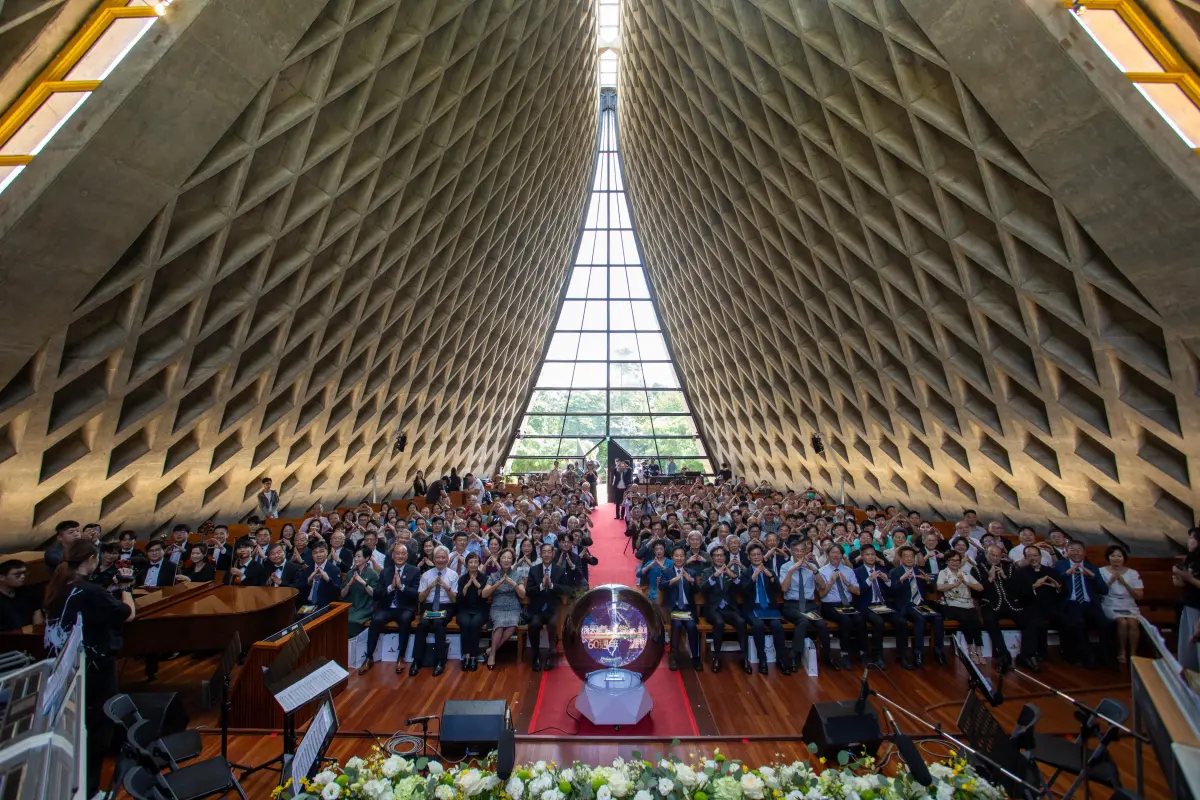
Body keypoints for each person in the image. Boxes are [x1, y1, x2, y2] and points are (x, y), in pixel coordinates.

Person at [43, 540, 136, 794]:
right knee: (97, 731)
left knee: (77, 727)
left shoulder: (60, 587)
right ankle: (89, 790)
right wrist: (126, 587)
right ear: (91, 559)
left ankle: (74, 786)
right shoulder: (89, 591)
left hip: (69, 669)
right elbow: (126, 613)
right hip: (94, 669)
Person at [360, 543, 420, 675]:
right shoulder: (385, 571)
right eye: (397, 553)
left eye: (402, 554)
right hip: (387, 608)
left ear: (407, 556)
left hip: (405, 608)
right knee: (375, 621)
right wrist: (391, 587)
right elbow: (377, 594)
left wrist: (401, 586)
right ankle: (369, 657)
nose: (400, 556)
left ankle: (401, 656)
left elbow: (415, 594)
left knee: (405, 620)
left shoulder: (414, 571)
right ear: (392, 556)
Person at [978, 545, 1040, 671]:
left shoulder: (1009, 568)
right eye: (992, 555)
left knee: (1031, 620)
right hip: (991, 604)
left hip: (1012, 604)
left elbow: (1017, 590)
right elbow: (979, 593)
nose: (995, 558)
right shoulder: (977, 569)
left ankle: (1026, 655)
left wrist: (1005, 578)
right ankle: (1003, 655)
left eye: (998, 556)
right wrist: (990, 578)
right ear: (986, 555)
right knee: (990, 620)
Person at [1055, 541, 1113, 668]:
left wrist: (1092, 576)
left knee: (1106, 624)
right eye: (1072, 549)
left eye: (1079, 549)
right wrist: (1067, 573)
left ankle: (1106, 657)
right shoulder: (1059, 565)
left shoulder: (1091, 567)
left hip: (1090, 603)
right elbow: (1055, 584)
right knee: (1078, 623)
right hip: (1070, 603)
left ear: (1084, 552)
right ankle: (1084, 657)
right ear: (1066, 552)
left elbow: (1104, 590)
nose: (1076, 552)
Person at [780, 539, 832, 672]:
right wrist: (792, 570)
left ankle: (827, 656)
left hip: (809, 606)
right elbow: (784, 589)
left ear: (805, 552)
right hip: (792, 606)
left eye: (801, 551)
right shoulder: (785, 567)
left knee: (821, 624)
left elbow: (822, 586)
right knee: (802, 621)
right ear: (791, 551)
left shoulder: (811, 567)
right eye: (796, 550)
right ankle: (793, 656)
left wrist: (815, 571)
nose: (798, 553)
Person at [889, 545, 945, 668]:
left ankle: (938, 651)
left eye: (911, 556)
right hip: (906, 606)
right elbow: (891, 591)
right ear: (901, 558)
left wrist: (928, 581)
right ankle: (918, 653)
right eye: (906, 556)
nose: (909, 559)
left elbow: (931, 590)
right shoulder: (895, 572)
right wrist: (902, 580)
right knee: (919, 619)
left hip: (921, 604)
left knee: (938, 618)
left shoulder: (919, 570)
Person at [701, 546, 749, 673]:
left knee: (741, 622)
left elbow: (743, 589)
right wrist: (714, 576)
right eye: (716, 555)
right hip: (713, 609)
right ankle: (717, 657)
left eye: (721, 555)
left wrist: (733, 577)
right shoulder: (707, 571)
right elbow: (703, 589)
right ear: (712, 558)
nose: (719, 557)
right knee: (719, 622)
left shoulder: (731, 571)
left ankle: (744, 658)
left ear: (725, 557)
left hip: (728, 608)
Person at [740, 542, 786, 675]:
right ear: (748, 557)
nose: (756, 557)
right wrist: (753, 577)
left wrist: (771, 577)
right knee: (758, 625)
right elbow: (744, 592)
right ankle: (762, 659)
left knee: (777, 625)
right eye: (753, 555)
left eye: (758, 554)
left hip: (769, 608)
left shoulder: (769, 571)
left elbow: (778, 590)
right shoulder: (745, 572)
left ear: (762, 556)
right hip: (751, 608)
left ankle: (780, 659)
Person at [818, 547, 867, 670]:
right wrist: (831, 582)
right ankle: (844, 654)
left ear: (842, 555)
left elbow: (857, 591)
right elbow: (821, 595)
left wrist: (847, 583)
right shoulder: (821, 571)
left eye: (838, 553)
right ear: (828, 554)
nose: (835, 555)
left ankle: (863, 652)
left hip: (847, 605)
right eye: (832, 552)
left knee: (860, 620)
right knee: (846, 620)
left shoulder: (849, 571)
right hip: (830, 605)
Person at [412, 545, 457, 676]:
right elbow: (420, 599)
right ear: (433, 558)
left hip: (446, 606)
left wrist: (446, 587)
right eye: (438, 557)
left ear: (448, 559)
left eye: (443, 557)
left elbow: (454, 600)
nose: (440, 560)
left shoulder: (453, 575)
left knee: (439, 624)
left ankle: (439, 660)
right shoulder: (426, 575)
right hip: (429, 606)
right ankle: (417, 660)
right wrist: (430, 587)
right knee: (422, 625)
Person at [853, 546, 900, 670]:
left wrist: (887, 581)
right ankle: (877, 655)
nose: (871, 557)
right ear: (862, 556)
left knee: (900, 621)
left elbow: (893, 592)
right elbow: (858, 592)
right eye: (867, 554)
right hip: (867, 606)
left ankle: (902, 655)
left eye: (873, 554)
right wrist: (869, 580)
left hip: (883, 605)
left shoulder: (882, 570)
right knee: (879, 622)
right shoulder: (857, 572)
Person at [936, 551, 984, 664]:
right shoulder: (943, 573)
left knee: (975, 620)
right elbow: (939, 587)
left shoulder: (965, 574)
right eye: (952, 560)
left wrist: (967, 583)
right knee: (965, 618)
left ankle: (979, 650)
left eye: (957, 560)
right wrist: (954, 584)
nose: (954, 562)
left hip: (968, 604)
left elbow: (980, 588)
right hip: (953, 605)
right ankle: (971, 649)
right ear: (947, 561)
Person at [659, 545, 702, 671]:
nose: (679, 558)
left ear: (685, 557)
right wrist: (673, 580)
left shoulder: (691, 572)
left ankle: (696, 657)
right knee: (677, 625)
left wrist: (692, 581)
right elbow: (661, 586)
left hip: (688, 609)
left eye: (681, 556)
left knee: (691, 626)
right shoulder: (667, 571)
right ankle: (673, 656)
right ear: (672, 557)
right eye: (676, 556)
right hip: (675, 609)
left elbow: (697, 591)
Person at [525, 543, 566, 671]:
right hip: (537, 609)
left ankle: (551, 655)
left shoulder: (560, 570)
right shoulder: (534, 570)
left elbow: (564, 590)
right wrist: (541, 586)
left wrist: (552, 585)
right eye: (544, 552)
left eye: (549, 552)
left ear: (553, 554)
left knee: (553, 624)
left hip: (553, 608)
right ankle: (535, 655)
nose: (547, 554)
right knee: (534, 624)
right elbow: (529, 591)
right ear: (540, 554)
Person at [483, 548, 526, 669]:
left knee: (512, 626)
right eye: (504, 558)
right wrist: (497, 584)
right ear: (499, 560)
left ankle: (491, 650)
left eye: (509, 558)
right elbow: (484, 594)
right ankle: (492, 656)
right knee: (500, 624)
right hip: (497, 606)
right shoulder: (493, 575)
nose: (506, 560)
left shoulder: (517, 575)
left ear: (512, 560)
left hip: (513, 606)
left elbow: (522, 594)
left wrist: (514, 584)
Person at [1099, 546, 1143, 663]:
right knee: (1122, 621)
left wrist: (1124, 583)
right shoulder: (1101, 571)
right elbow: (1099, 592)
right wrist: (1111, 581)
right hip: (1110, 602)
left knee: (1133, 623)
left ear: (1124, 558)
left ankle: (1133, 652)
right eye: (1113, 556)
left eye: (1119, 556)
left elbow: (1139, 596)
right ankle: (1121, 651)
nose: (1116, 558)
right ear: (1108, 558)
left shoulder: (1132, 573)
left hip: (1128, 603)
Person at [1172, 527, 1200, 671]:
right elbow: (1184, 583)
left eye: (1192, 538)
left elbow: (1193, 580)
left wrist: (1188, 578)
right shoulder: (1191, 559)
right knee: (1188, 649)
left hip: (1198, 607)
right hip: (1190, 604)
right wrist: (1179, 576)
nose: (1189, 541)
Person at [456, 552, 489, 671]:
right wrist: (466, 587)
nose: (473, 564)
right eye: (471, 562)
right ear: (466, 564)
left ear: (479, 564)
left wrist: (476, 584)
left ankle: (474, 656)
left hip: (480, 610)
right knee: (465, 624)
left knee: (474, 624)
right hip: (464, 609)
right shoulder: (462, 579)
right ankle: (466, 656)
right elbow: (458, 599)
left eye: (476, 562)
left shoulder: (484, 578)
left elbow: (485, 596)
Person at [341, 547, 379, 638]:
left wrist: (363, 583)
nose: (356, 559)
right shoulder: (350, 573)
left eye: (359, 556)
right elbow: (342, 595)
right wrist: (349, 584)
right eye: (355, 556)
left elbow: (374, 594)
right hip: (351, 606)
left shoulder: (373, 574)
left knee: (352, 621)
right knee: (339, 619)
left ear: (366, 558)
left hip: (365, 607)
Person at [0, 559, 43, 629]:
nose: (23, 577)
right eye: (17, 575)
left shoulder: (29, 591)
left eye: (24, 573)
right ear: (2, 577)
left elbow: (37, 618)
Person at [300, 541, 343, 607]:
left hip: (323, 606)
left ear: (327, 552)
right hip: (306, 604)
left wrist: (328, 580)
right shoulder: (308, 569)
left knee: (308, 617)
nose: (318, 555)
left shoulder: (335, 570)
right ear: (312, 555)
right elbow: (301, 591)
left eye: (321, 551)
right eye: (315, 552)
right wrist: (308, 582)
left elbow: (337, 592)